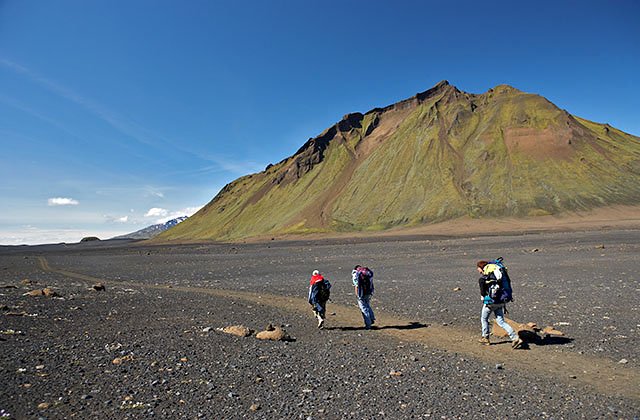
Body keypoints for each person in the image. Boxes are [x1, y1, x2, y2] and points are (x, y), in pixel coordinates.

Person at [477, 260, 523, 349]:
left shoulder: (485, 278)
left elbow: (483, 290)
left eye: (478, 268)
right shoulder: (498, 277)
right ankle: (515, 337)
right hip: (501, 301)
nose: (478, 270)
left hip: (491, 302)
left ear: (481, 268)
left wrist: (483, 296)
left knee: (484, 318)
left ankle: (485, 338)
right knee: (501, 321)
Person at [352, 265, 375, 329]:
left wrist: (357, 295)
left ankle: (368, 324)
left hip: (361, 293)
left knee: (363, 308)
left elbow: (356, 285)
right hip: (368, 292)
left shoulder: (356, 274)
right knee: (367, 305)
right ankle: (372, 318)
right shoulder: (367, 273)